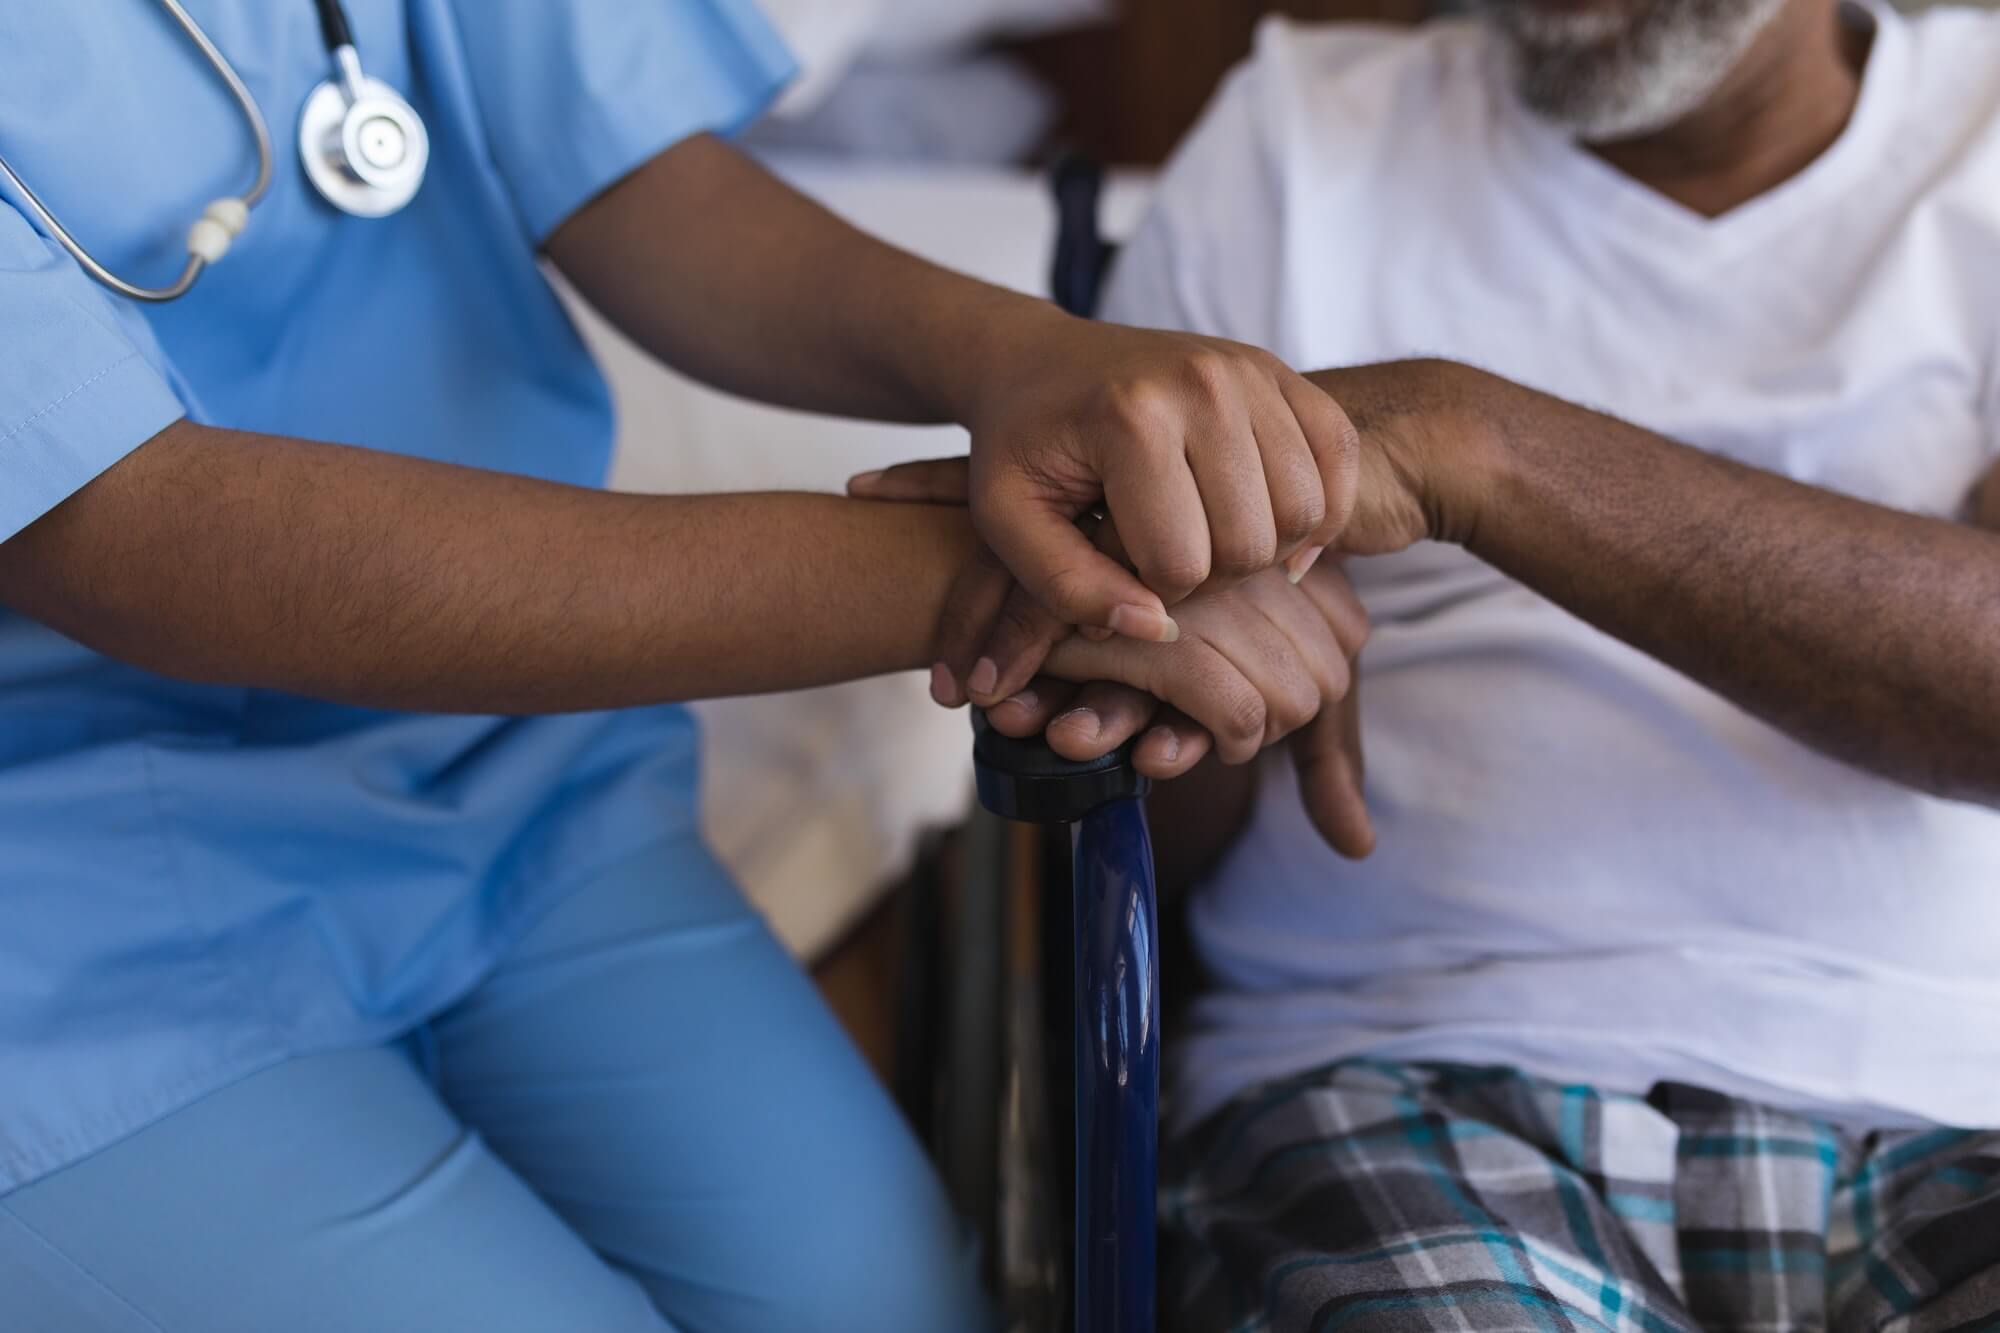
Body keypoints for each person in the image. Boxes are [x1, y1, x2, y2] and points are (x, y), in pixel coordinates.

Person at [0, 3, 1374, 1330]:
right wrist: (1018, 579)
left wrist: (1024, 361)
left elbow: (632, 177)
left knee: (891, 1310)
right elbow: (140, 533)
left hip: (497, 779)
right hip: (64, 925)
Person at [860, 0, 2000, 1326]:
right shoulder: (1296, 137)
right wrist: (1180, 650)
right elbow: (1125, 831)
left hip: (1959, 1104)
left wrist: (1480, 450)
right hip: (1402, 1077)